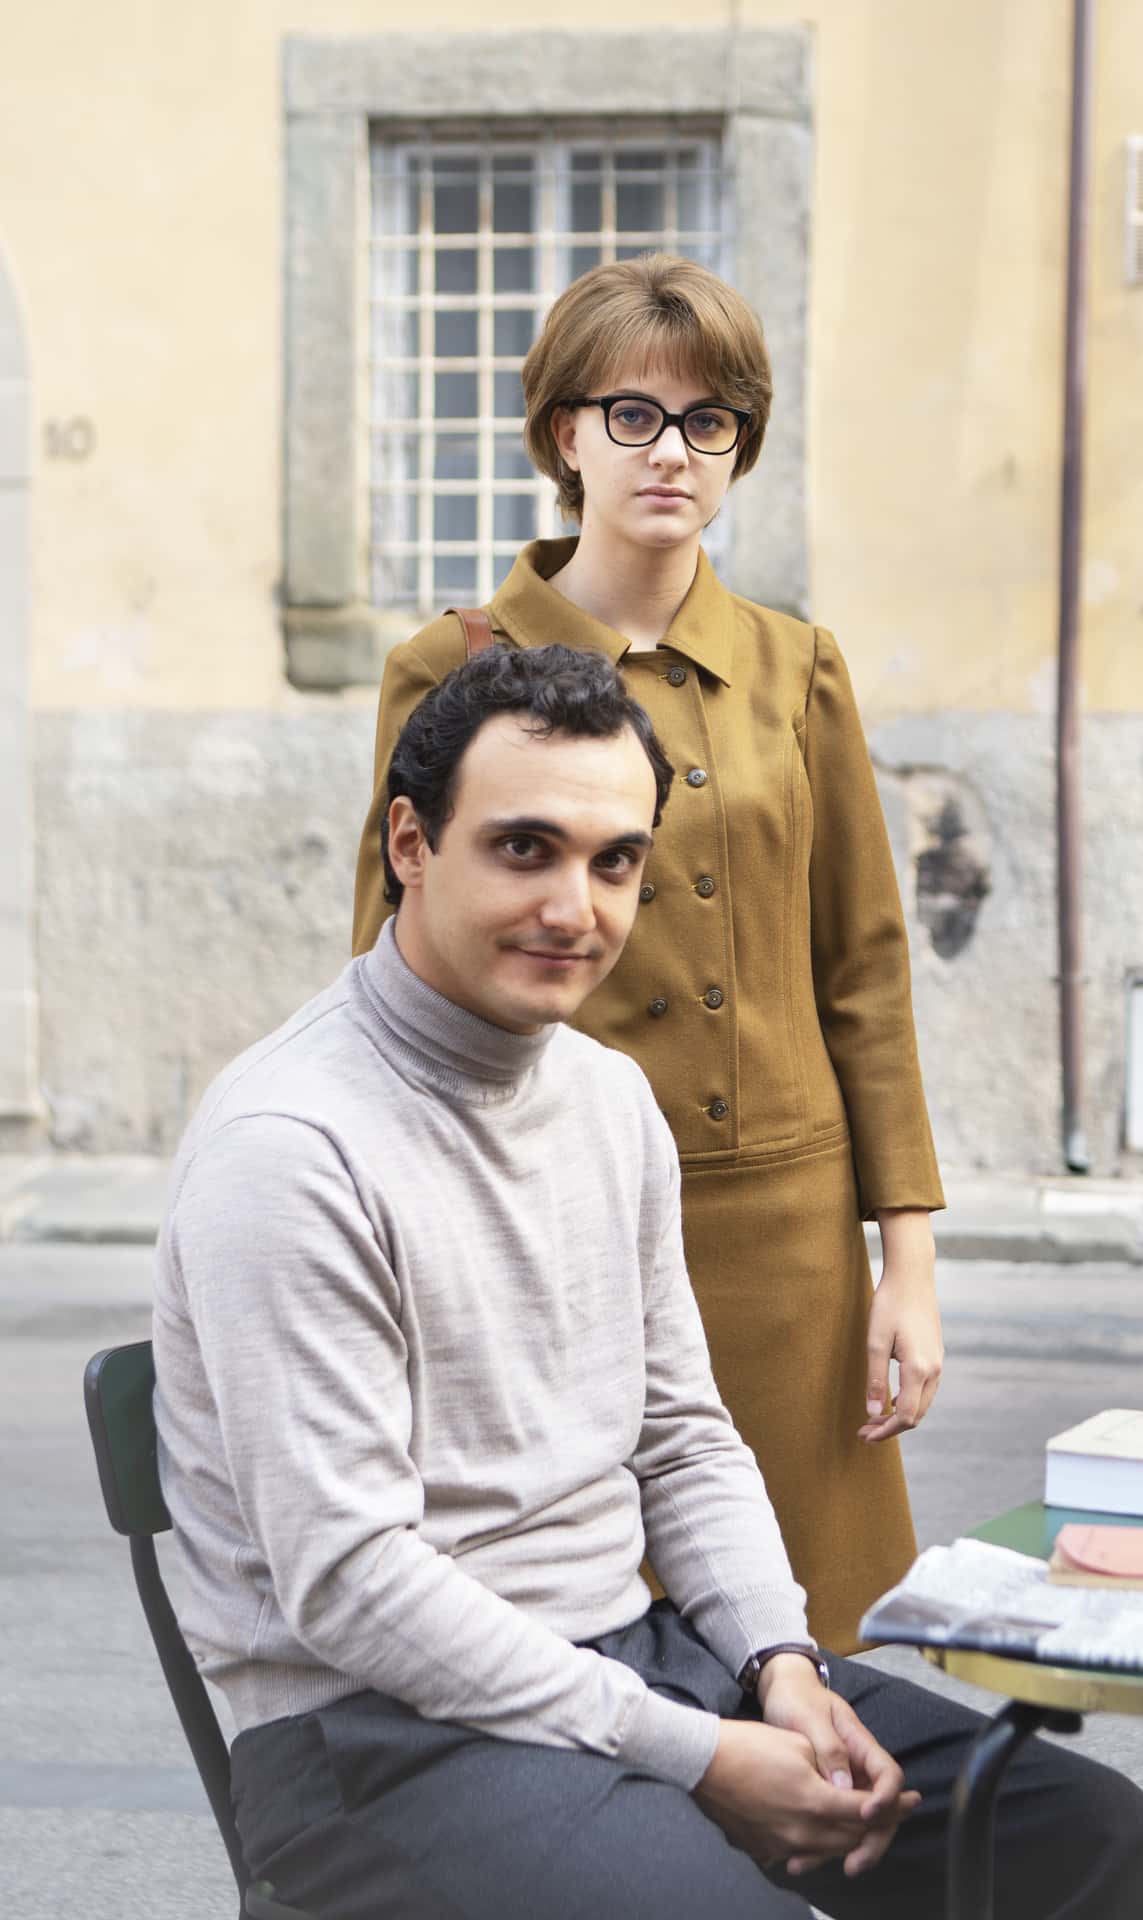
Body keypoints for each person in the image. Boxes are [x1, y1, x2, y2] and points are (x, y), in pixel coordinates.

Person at [156, 647, 1143, 1920]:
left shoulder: (605, 1098)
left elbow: (681, 1438)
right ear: (410, 843)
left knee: (1079, 1835)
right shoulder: (290, 1147)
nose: (573, 908)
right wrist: (698, 1753)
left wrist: (781, 1665)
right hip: (374, 1735)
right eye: (523, 849)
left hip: (631, 1660)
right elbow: (350, 1584)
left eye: (613, 861)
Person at [352, 254, 945, 1650]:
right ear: (566, 433)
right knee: (587, 1657)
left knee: (812, 1657)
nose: (671, 450)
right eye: (633, 414)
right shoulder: (453, 668)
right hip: (545, 1227)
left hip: (788, 1249)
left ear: (739, 446)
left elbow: (863, 972)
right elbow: (394, 965)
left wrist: (906, 1267)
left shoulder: (799, 671)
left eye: (708, 419)